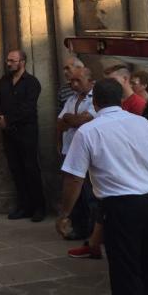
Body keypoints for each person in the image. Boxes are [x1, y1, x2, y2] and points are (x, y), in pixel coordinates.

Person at [55, 79, 148, 295]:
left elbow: (74, 178)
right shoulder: (142, 124)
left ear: (95, 103)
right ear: (120, 99)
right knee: (146, 269)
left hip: (120, 207)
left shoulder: (89, 131)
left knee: (126, 276)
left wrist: (64, 213)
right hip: (146, 200)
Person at [0, 49, 45, 221]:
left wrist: (7, 119)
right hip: (9, 134)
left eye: (12, 61)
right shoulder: (4, 80)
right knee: (16, 170)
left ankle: (39, 208)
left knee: (31, 169)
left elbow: (28, 108)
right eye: (8, 60)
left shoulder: (32, 83)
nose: (8, 63)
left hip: (26, 132)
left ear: (22, 62)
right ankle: (24, 206)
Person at [56, 68, 96, 243]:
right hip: (69, 149)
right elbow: (60, 122)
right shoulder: (71, 99)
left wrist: (69, 119)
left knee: (89, 192)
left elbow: (83, 121)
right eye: (71, 81)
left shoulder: (96, 99)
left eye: (78, 81)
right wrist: (70, 119)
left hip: (87, 153)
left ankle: (93, 230)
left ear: (90, 81)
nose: (73, 84)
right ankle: (79, 228)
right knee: (75, 194)